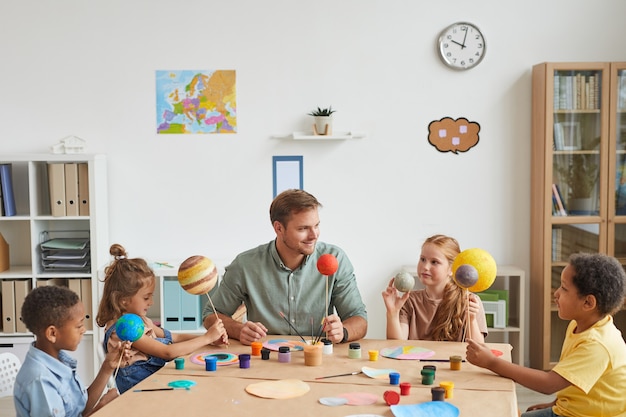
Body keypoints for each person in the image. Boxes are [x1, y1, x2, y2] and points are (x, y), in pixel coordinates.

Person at [466, 252, 626, 417]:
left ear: (588, 302)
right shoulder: (580, 326)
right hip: (572, 410)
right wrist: (554, 404)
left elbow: (548, 384)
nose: (556, 293)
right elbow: (573, 379)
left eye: (564, 288)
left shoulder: (597, 345)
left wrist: (491, 362)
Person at [202, 189, 368, 345]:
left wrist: (343, 332)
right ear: (279, 228)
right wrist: (239, 330)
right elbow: (211, 315)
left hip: (318, 356)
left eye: (316, 225)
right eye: (303, 228)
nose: (314, 235)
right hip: (265, 359)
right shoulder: (246, 265)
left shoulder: (335, 258)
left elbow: (359, 318)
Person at [96, 243, 228, 394]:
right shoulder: (126, 328)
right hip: (141, 394)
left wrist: (210, 340)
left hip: (154, 382)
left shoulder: (141, 319)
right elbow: (167, 352)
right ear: (123, 300)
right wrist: (205, 338)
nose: (151, 302)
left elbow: (173, 336)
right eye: (146, 298)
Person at [13, 285, 131, 417]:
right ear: (52, 333)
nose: (84, 330)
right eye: (79, 325)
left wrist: (107, 367)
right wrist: (101, 408)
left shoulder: (58, 360)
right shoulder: (40, 381)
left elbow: (80, 409)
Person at [382, 234, 487, 342]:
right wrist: (393, 313)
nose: (425, 267)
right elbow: (396, 345)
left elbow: (478, 349)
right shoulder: (409, 300)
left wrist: (471, 319)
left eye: (434, 262)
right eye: (422, 259)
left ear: (452, 269)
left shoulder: (469, 301)